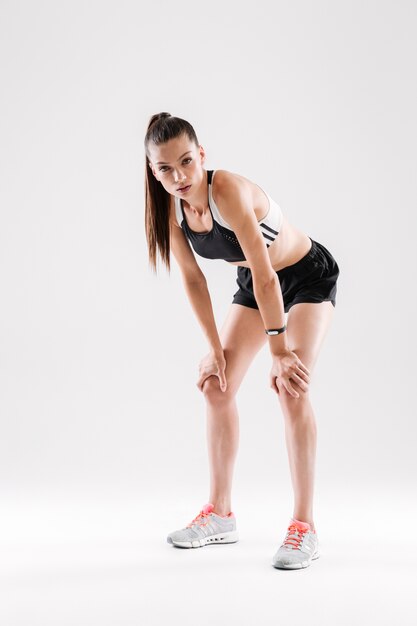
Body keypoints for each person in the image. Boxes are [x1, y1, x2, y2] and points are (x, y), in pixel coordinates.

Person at [144, 112, 340, 570]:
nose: (179, 177)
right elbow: (193, 281)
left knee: (292, 387)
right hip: (255, 285)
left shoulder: (225, 190)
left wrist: (279, 351)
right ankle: (220, 514)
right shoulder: (168, 208)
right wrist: (215, 350)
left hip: (304, 276)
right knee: (218, 385)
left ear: (202, 155)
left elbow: (270, 274)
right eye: (166, 169)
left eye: (187, 162)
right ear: (153, 172)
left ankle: (304, 526)